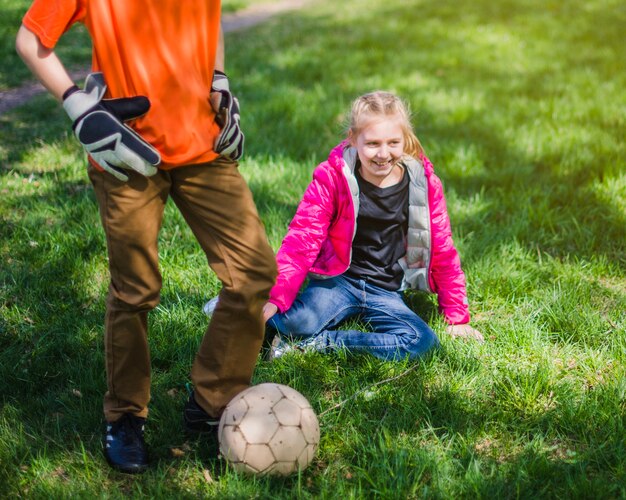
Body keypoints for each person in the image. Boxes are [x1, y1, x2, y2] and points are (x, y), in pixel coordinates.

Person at [16, 0, 277, 474]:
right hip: (126, 147)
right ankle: (124, 416)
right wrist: (78, 107)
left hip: (204, 146)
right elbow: (30, 41)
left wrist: (219, 81)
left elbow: (209, 18)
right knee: (136, 290)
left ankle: (212, 399)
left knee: (254, 272)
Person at [260, 91, 483, 360]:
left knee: (421, 343)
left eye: (393, 142)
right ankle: (243, 307)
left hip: (385, 290)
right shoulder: (333, 177)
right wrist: (275, 297)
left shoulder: (423, 184)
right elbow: (302, 239)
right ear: (353, 139)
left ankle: (317, 345)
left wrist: (456, 318)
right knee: (293, 322)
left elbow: (443, 249)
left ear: (405, 140)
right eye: (373, 143)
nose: (383, 153)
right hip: (339, 282)